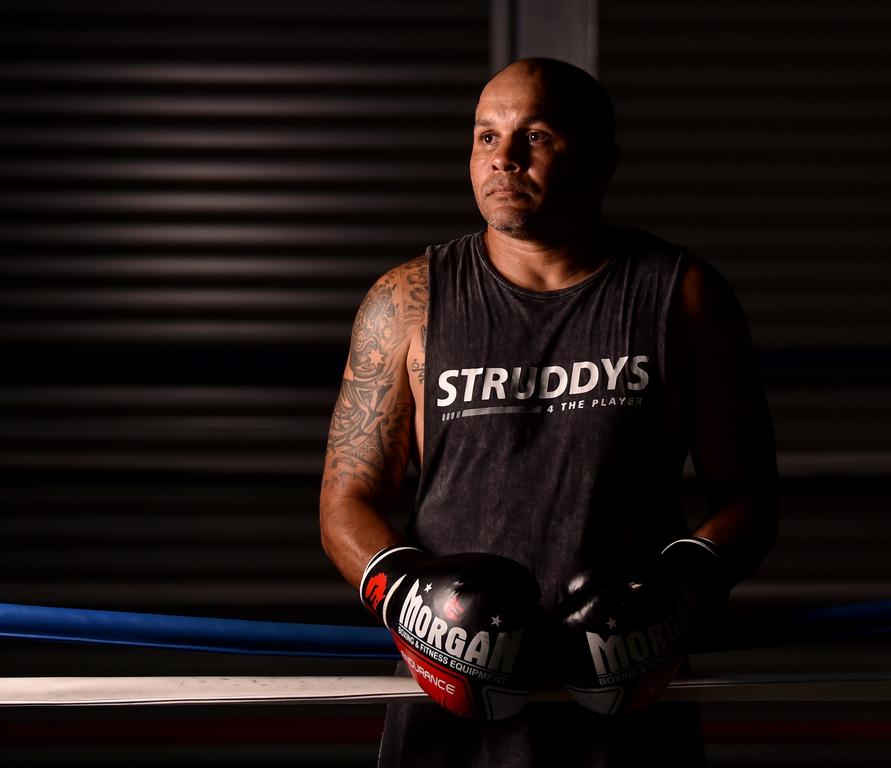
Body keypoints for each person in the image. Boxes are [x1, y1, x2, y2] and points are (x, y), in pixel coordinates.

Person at [320, 57, 779, 767]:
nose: (502, 158)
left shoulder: (681, 295)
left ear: (602, 155)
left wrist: (680, 593)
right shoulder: (408, 301)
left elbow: (749, 497)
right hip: (449, 701)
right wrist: (406, 596)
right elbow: (345, 499)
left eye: (534, 136)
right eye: (485, 137)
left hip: (628, 697)